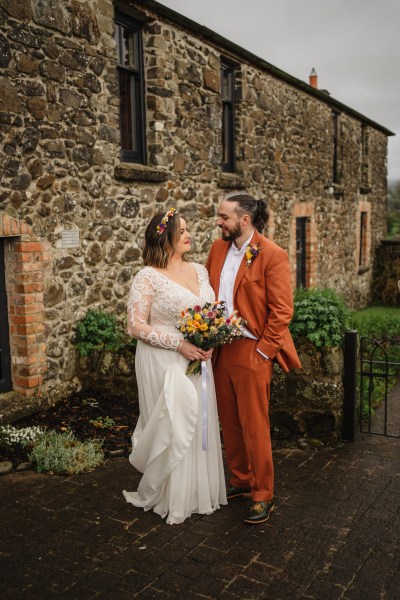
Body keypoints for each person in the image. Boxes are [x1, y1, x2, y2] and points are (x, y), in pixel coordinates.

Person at [123, 208, 227, 525]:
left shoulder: (199, 270)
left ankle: (197, 491)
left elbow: (211, 312)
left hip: (198, 357)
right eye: (180, 230)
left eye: (187, 228)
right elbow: (135, 326)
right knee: (173, 422)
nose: (187, 233)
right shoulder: (147, 277)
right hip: (164, 358)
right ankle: (169, 493)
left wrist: (210, 338)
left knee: (197, 422)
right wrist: (179, 344)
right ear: (164, 237)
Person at [206, 192, 301, 525]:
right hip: (220, 349)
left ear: (244, 220)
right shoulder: (217, 249)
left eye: (223, 217)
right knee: (229, 423)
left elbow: (282, 311)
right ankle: (241, 481)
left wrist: (263, 352)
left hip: (251, 350)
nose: (218, 222)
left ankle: (263, 494)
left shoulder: (272, 255)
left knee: (254, 425)